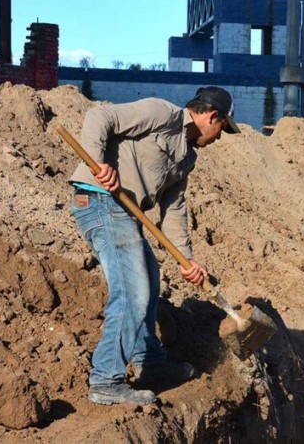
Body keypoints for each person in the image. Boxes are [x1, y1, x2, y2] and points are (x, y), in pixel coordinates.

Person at [68, 86, 241, 405]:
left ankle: (151, 363)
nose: (219, 137)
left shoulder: (187, 157)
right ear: (211, 116)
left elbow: (174, 209)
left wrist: (186, 259)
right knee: (132, 291)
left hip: (125, 213)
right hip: (100, 199)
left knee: (149, 279)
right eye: (221, 128)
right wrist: (98, 162)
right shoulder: (162, 114)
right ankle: (106, 379)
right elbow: (100, 115)